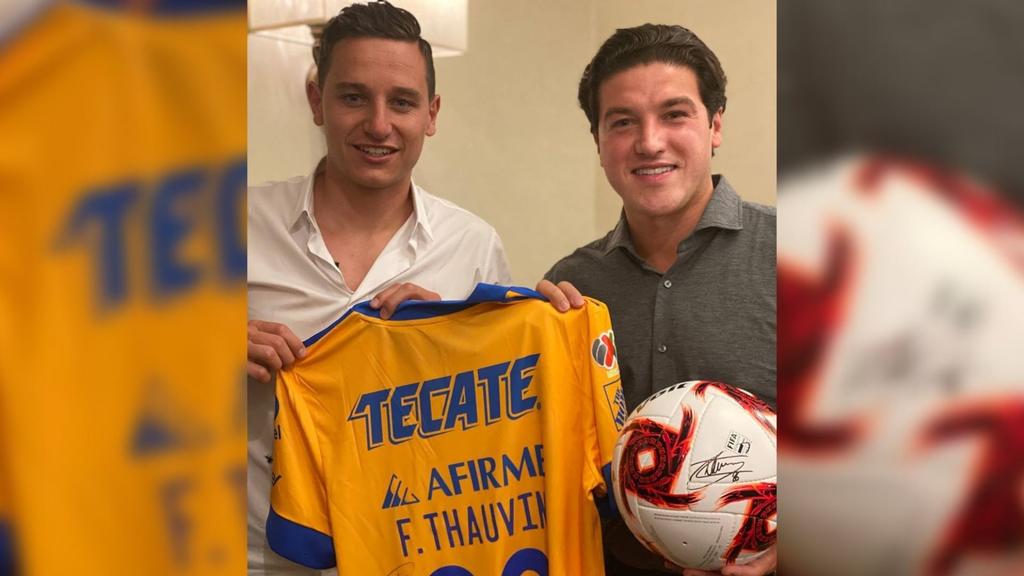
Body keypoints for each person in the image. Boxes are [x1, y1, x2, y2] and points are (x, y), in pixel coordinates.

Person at [246, 2, 511, 573]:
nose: (379, 124)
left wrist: (450, 350)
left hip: (413, 558)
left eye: (403, 102)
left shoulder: (474, 247)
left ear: (431, 114)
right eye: (353, 97)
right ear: (316, 101)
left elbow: (497, 435)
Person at [536, 24, 777, 576]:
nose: (649, 142)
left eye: (674, 114)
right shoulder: (570, 288)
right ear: (598, 141)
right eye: (622, 122)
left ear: (715, 125)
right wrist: (442, 327)